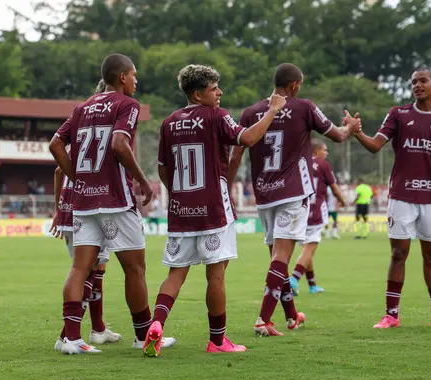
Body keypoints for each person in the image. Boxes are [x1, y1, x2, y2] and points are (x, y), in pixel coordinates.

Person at [143, 64, 286, 357]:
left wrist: (182, 194)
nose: (219, 93)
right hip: (213, 210)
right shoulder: (216, 116)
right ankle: (218, 341)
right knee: (216, 275)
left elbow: (162, 169)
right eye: (213, 88)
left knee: (175, 273)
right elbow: (246, 139)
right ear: (198, 94)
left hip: (181, 211)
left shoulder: (168, 122)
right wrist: (271, 111)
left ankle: (156, 323)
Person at [49, 53, 176, 354]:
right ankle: (143, 336)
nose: (136, 81)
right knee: (135, 269)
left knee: (80, 268)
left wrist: (77, 178)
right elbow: (119, 144)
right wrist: (143, 181)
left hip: (83, 201)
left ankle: (71, 339)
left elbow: (55, 144)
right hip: (116, 199)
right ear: (122, 77)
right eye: (134, 75)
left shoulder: (81, 107)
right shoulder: (126, 105)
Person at [229, 63, 361, 336]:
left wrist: (228, 190)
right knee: (281, 258)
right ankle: (263, 320)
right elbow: (337, 136)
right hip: (292, 192)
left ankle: (291, 315)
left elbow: (236, 155)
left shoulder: (252, 112)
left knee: (279, 259)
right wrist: (352, 128)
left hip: (264, 193)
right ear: (294, 86)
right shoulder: (304, 107)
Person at [349, 67, 431, 328]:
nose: (417, 85)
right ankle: (391, 315)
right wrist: (357, 132)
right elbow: (375, 145)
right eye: (413, 82)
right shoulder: (398, 114)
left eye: (423, 81)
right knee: (398, 253)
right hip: (402, 195)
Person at [49, 79, 121, 352]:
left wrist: (59, 208)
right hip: (89, 205)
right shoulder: (106, 122)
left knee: (94, 269)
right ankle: (69, 336)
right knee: (87, 270)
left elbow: (58, 170)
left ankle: (96, 328)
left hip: (71, 206)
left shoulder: (80, 122)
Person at [290, 139, 346, 295]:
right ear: (316, 151)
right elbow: (334, 188)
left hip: (299, 211)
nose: (326, 153)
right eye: (325, 150)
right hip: (315, 211)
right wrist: (342, 201)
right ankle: (293, 280)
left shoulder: (299, 163)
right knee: (310, 248)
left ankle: (312, 285)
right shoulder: (323, 165)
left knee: (306, 250)